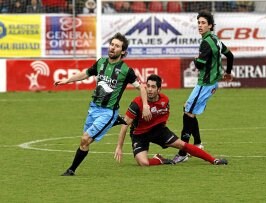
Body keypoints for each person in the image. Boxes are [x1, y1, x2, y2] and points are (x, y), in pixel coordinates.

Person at [54, 32, 152, 176]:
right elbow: (86, 73)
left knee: (85, 139)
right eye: (112, 44)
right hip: (93, 108)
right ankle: (72, 170)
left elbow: (141, 87)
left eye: (117, 46)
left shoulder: (126, 70)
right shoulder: (101, 63)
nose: (112, 48)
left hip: (107, 111)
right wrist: (67, 80)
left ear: (123, 51)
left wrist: (145, 106)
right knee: (84, 143)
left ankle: (71, 170)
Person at [114, 74, 228, 166]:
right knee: (143, 163)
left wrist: (162, 131)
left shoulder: (165, 101)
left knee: (182, 145)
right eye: (147, 86)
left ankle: (213, 160)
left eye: (153, 87)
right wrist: (119, 147)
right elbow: (124, 125)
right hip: (139, 134)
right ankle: (160, 160)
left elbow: (163, 118)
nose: (149, 89)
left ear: (159, 89)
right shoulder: (137, 103)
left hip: (158, 131)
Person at [173, 10, 234, 164]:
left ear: (210, 25)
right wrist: (227, 72)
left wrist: (195, 60)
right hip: (211, 83)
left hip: (205, 84)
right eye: (198, 23)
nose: (200, 26)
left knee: (188, 113)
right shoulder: (215, 39)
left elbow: (201, 64)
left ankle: (183, 152)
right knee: (189, 111)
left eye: (203, 23)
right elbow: (230, 55)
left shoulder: (206, 42)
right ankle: (198, 143)